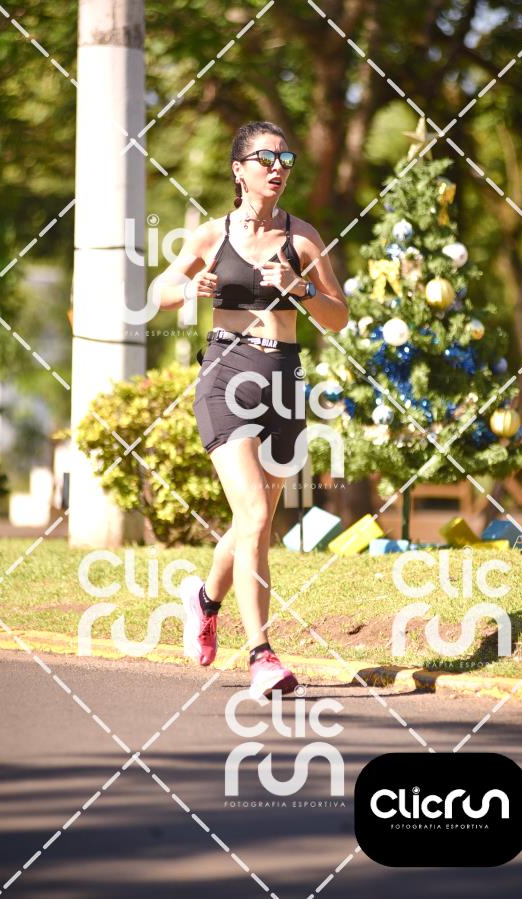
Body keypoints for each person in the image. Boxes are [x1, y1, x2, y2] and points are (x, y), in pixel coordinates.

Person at [158, 121, 348, 698]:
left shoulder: (303, 238)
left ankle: (204, 600)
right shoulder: (210, 236)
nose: (278, 168)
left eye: (285, 159)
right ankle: (262, 655)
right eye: (265, 158)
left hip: (285, 382)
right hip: (226, 377)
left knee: (254, 521)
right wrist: (188, 290)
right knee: (257, 517)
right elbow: (158, 291)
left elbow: (339, 317)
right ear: (239, 169)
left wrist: (301, 288)